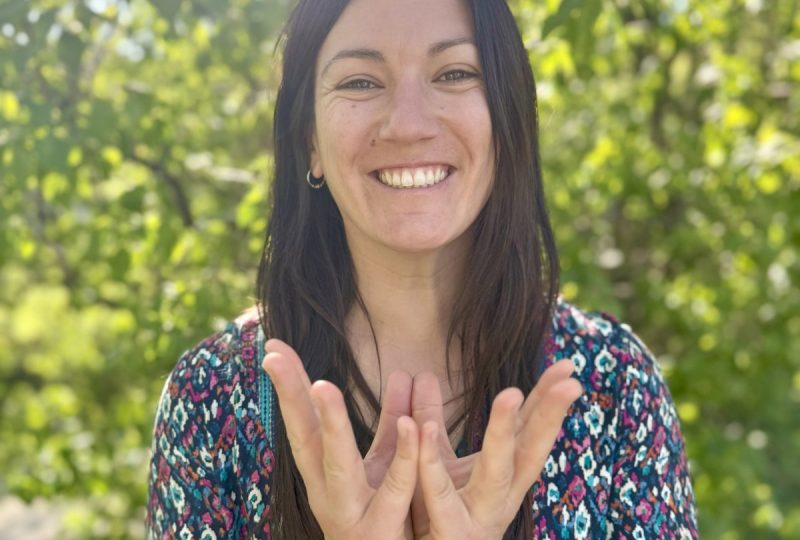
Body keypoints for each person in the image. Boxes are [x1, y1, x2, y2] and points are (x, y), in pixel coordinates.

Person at [146, 0, 699, 538]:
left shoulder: (612, 385)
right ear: (309, 140)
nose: (408, 125)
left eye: (455, 73)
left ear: (505, 122)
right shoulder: (211, 396)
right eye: (360, 82)